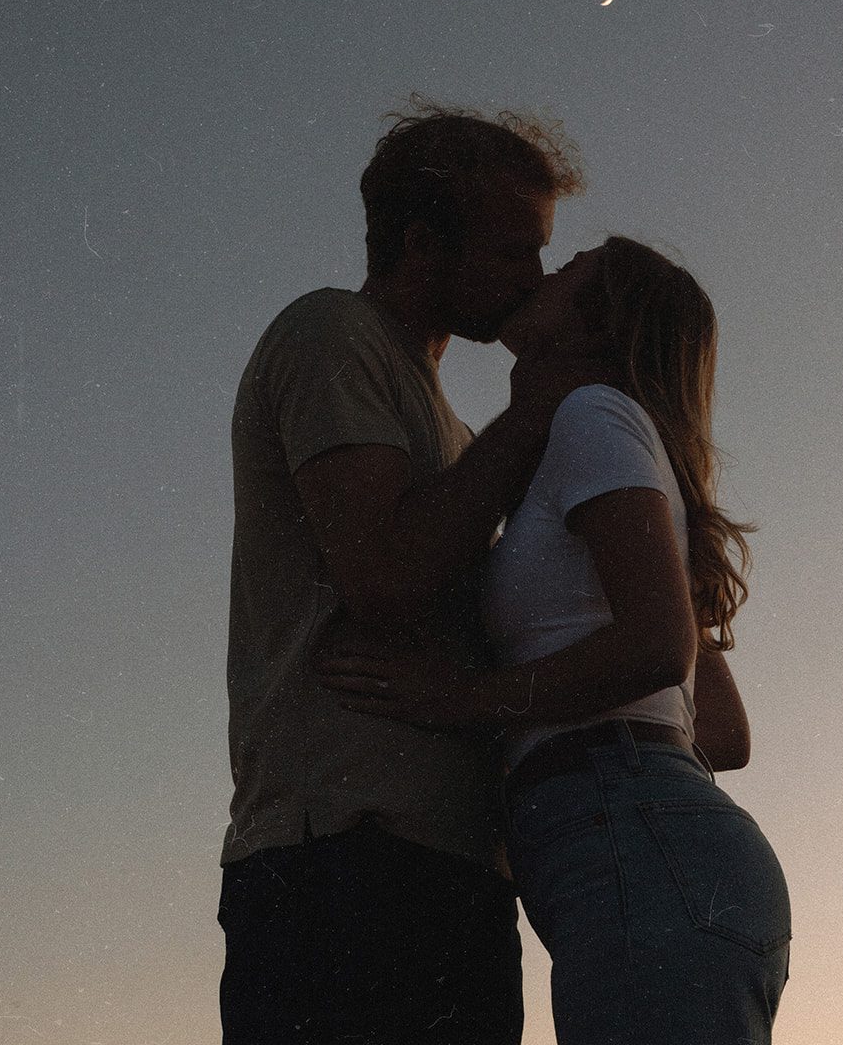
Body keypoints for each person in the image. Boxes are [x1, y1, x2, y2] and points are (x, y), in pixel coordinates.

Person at [321, 236, 792, 1045]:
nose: (546, 268)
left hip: (637, 846)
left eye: (574, 265)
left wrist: (463, 701)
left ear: (599, 321)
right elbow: (719, 731)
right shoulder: (599, 447)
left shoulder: (592, 417)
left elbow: (657, 650)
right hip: (648, 849)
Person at [219, 97, 611, 1045]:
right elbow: (385, 576)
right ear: (419, 243)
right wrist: (532, 415)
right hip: (342, 857)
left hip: (453, 872)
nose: (538, 274)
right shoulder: (330, 336)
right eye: (515, 249)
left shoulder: (461, 435)